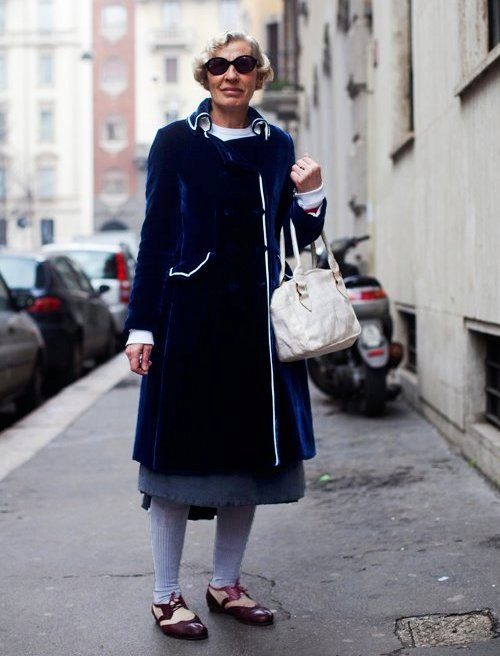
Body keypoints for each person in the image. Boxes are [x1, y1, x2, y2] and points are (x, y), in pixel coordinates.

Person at [124, 30, 326, 641]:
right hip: (188, 325)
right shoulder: (175, 143)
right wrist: (142, 325)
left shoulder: (277, 145)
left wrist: (312, 195)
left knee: (247, 463)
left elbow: (295, 238)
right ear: (205, 76)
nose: (230, 73)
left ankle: (225, 584)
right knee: (176, 464)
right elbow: (157, 237)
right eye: (218, 65)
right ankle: (165, 595)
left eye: (242, 64)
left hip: (257, 333)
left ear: (259, 75)